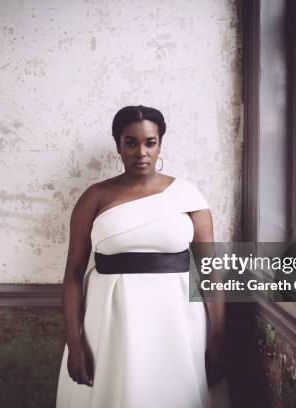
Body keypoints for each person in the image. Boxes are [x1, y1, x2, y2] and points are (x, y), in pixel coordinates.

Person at [56, 105, 227, 407]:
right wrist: (74, 341)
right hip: (109, 322)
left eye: (150, 142)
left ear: (160, 143)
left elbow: (210, 271)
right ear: (118, 145)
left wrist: (217, 338)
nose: (141, 152)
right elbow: (72, 275)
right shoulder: (94, 197)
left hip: (177, 321)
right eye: (130, 142)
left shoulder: (188, 197)